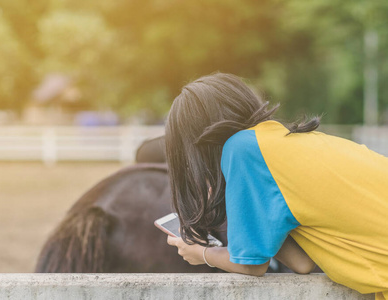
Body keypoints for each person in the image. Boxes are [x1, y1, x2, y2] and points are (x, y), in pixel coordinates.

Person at [164, 72, 388, 299]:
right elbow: (302, 263)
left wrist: (201, 253)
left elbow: (251, 266)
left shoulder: (241, 148)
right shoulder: (280, 143)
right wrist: (237, 198)